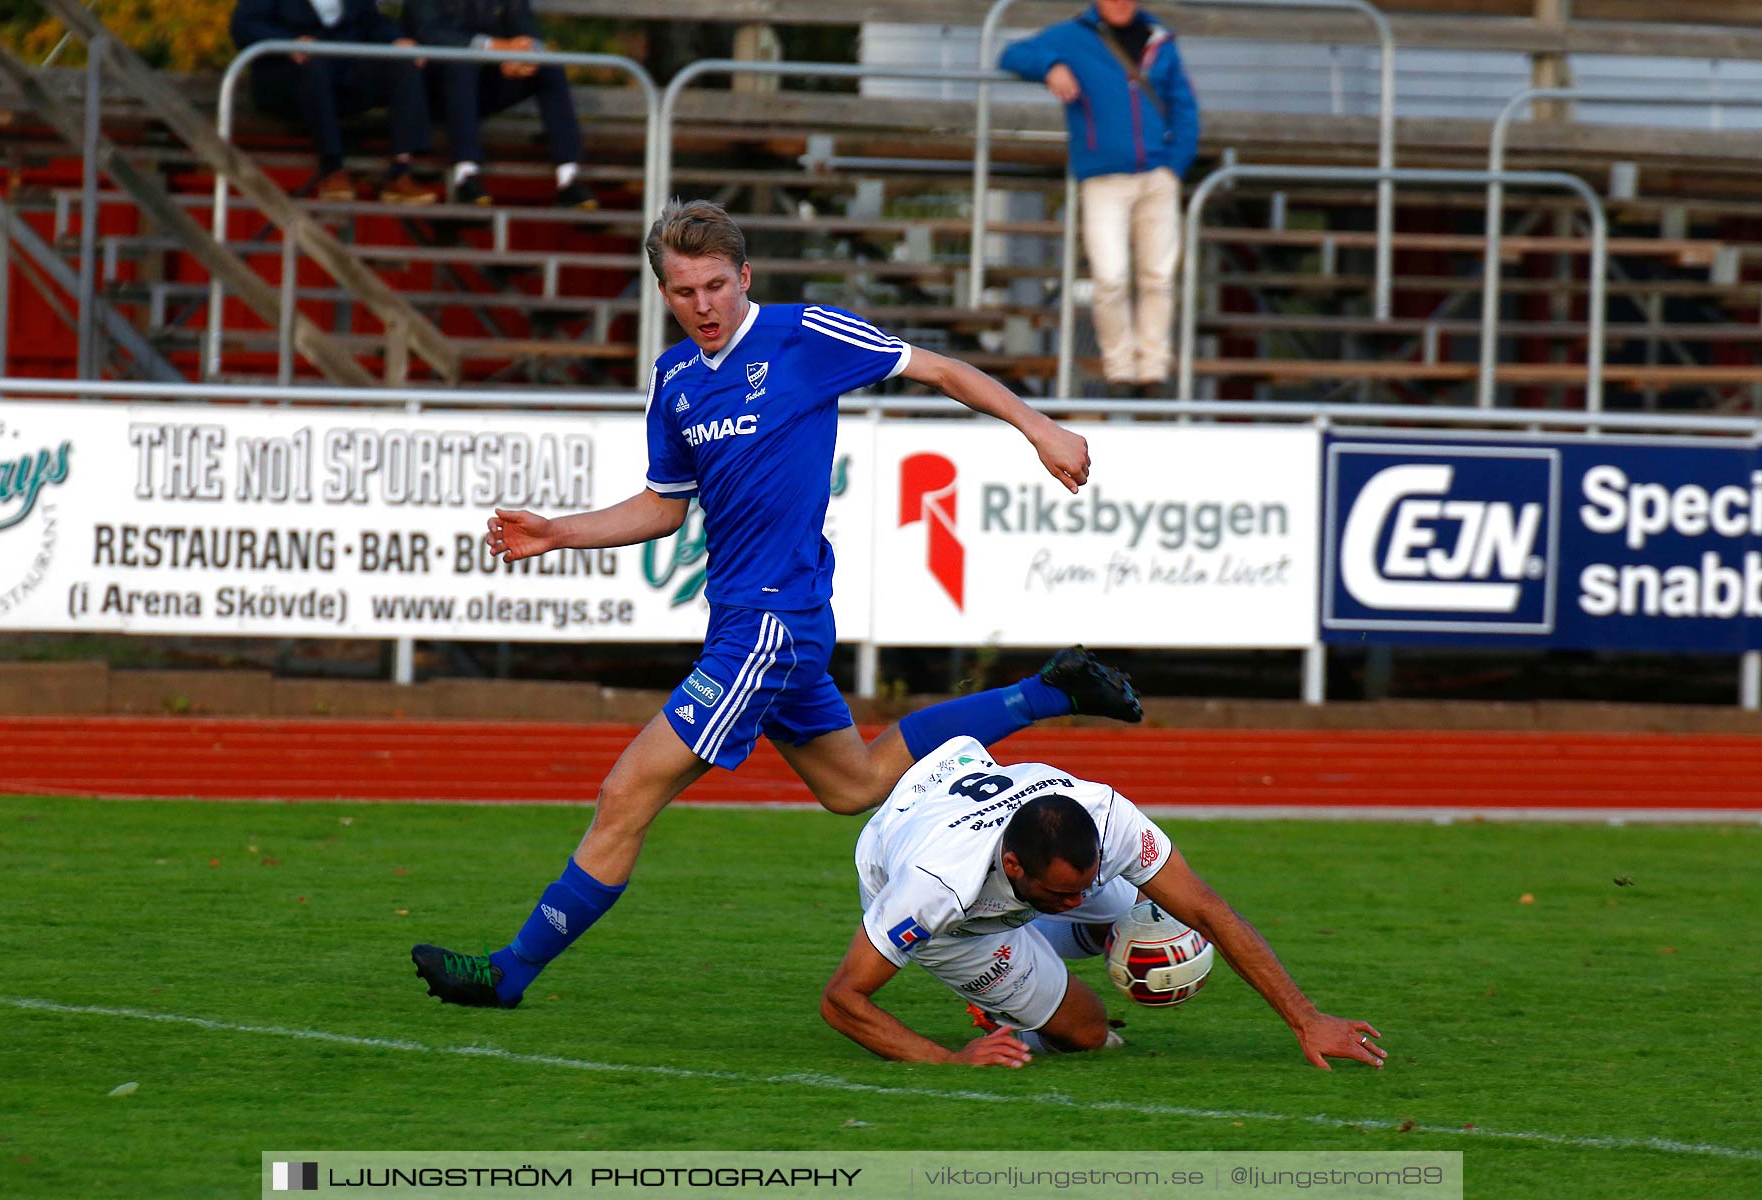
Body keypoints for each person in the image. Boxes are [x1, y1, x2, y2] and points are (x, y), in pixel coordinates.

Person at [411, 198, 1131, 1010]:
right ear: (665, 294)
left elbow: (937, 368)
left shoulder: (806, 335)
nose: (704, 306)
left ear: (744, 276)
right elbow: (662, 505)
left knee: (625, 793)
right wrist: (556, 533)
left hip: (770, 625)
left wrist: (1040, 428)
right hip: (744, 621)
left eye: (717, 285)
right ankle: (1051, 691)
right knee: (853, 783)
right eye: (684, 293)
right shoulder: (676, 379)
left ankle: (511, 971)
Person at [821, 736, 1387, 1069]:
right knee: (1086, 1033)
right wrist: (952, 1061)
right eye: (1061, 894)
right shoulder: (931, 890)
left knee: (1153, 916)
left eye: (1086, 884)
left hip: (968, 796)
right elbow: (844, 999)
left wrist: (1306, 1019)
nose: (1076, 898)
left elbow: (1208, 911)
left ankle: (1033, 956)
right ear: (1013, 867)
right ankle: (1003, 1005)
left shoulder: (1108, 818)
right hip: (937, 894)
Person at [1000, 0, 1200, 399]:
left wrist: (1174, 164)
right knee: (1110, 277)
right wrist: (1051, 66)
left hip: (1157, 175)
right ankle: (1120, 369)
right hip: (1102, 178)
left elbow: (1183, 104)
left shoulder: (1159, 38)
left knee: (1158, 277)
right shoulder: (1072, 36)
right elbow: (1011, 54)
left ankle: (1153, 371)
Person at [231, 0, 443, 203]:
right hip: (290, 76)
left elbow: (369, 20)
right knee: (316, 65)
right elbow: (245, 26)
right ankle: (332, 168)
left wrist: (396, 40)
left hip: (343, 71)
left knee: (404, 65)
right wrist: (288, 42)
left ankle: (401, 172)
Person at [399, 0, 598, 209]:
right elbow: (429, 32)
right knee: (461, 64)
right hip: (433, 89)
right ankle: (465, 176)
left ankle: (568, 177)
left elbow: (525, 24)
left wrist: (526, 53)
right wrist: (495, 47)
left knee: (549, 68)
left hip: (485, 82)